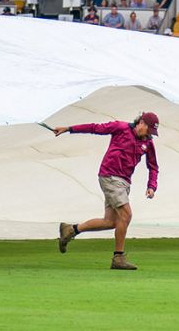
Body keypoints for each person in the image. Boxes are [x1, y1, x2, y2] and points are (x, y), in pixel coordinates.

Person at [53, 112, 160, 270]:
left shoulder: (148, 143)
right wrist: (69, 129)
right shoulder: (121, 127)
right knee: (126, 215)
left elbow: (153, 166)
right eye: (149, 130)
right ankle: (118, 258)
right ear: (141, 123)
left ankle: (71, 229)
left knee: (111, 222)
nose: (149, 135)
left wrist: (151, 186)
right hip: (110, 176)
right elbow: (95, 128)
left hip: (124, 182)